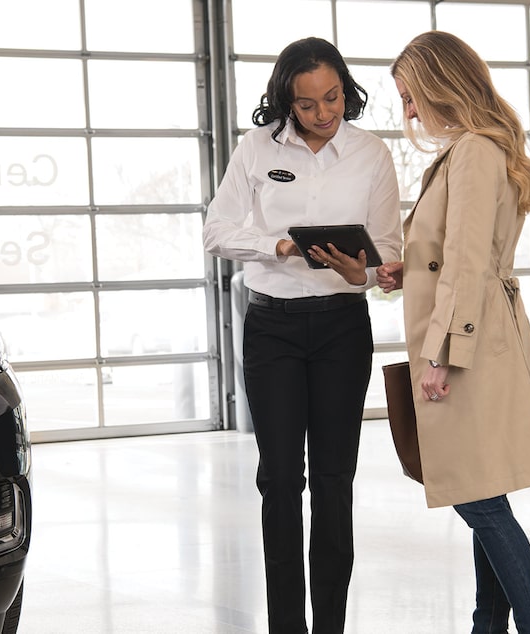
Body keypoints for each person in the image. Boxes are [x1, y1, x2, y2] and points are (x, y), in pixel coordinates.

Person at [202, 37, 402, 634]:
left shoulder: (371, 154)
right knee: (281, 480)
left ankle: (331, 627)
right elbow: (217, 230)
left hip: (343, 327)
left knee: (335, 477)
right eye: (308, 103)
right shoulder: (257, 149)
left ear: (346, 89)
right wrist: (279, 244)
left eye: (333, 98)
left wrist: (360, 271)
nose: (323, 113)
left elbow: (389, 253)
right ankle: (286, 625)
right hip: (273, 328)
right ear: (287, 99)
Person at [375, 31, 530, 633]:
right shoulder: (473, 150)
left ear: (438, 85)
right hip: (482, 336)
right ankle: (488, 625)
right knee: (483, 492)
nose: (408, 111)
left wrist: (441, 358)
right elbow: (452, 256)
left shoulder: (475, 151)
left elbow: (469, 262)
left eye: (409, 95)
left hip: (468, 347)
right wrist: (409, 267)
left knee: (480, 501)